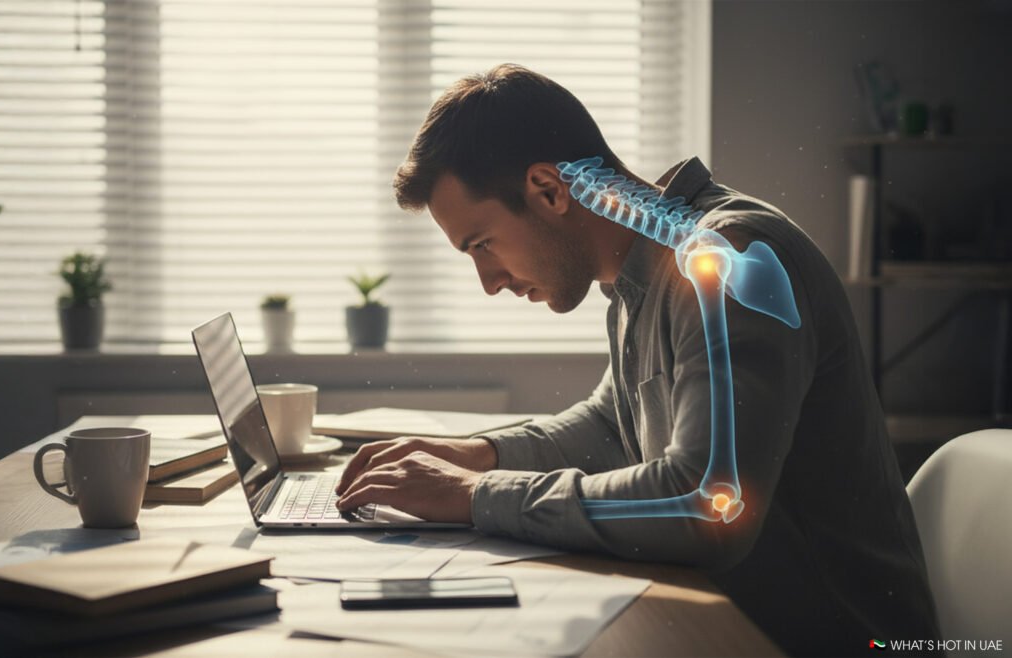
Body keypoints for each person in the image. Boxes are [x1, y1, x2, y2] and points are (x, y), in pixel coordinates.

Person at [335, 64, 940, 656]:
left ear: (549, 190)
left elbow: (709, 501)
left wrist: (476, 494)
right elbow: (609, 425)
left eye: (482, 244)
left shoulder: (725, 262)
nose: (489, 282)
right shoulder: (642, 272)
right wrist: (476, 454)